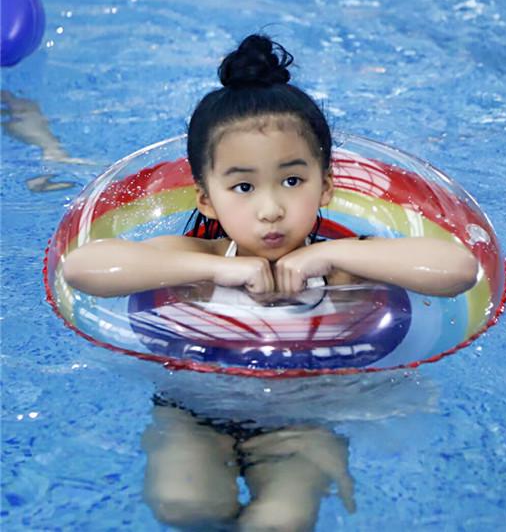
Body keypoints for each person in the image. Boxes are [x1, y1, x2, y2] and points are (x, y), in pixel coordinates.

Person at [62, 34, 478, 530]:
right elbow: (82, 268)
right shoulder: (195, 257)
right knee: (183, 503)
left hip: (307, 415)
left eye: (292, 181)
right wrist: (219, 270)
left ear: (326, 185)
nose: (270, 208)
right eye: (243, 186)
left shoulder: (349, 263)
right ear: (206, 200)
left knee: (280, 521)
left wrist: (328, 252)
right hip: (193, 408)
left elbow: (459, 270)